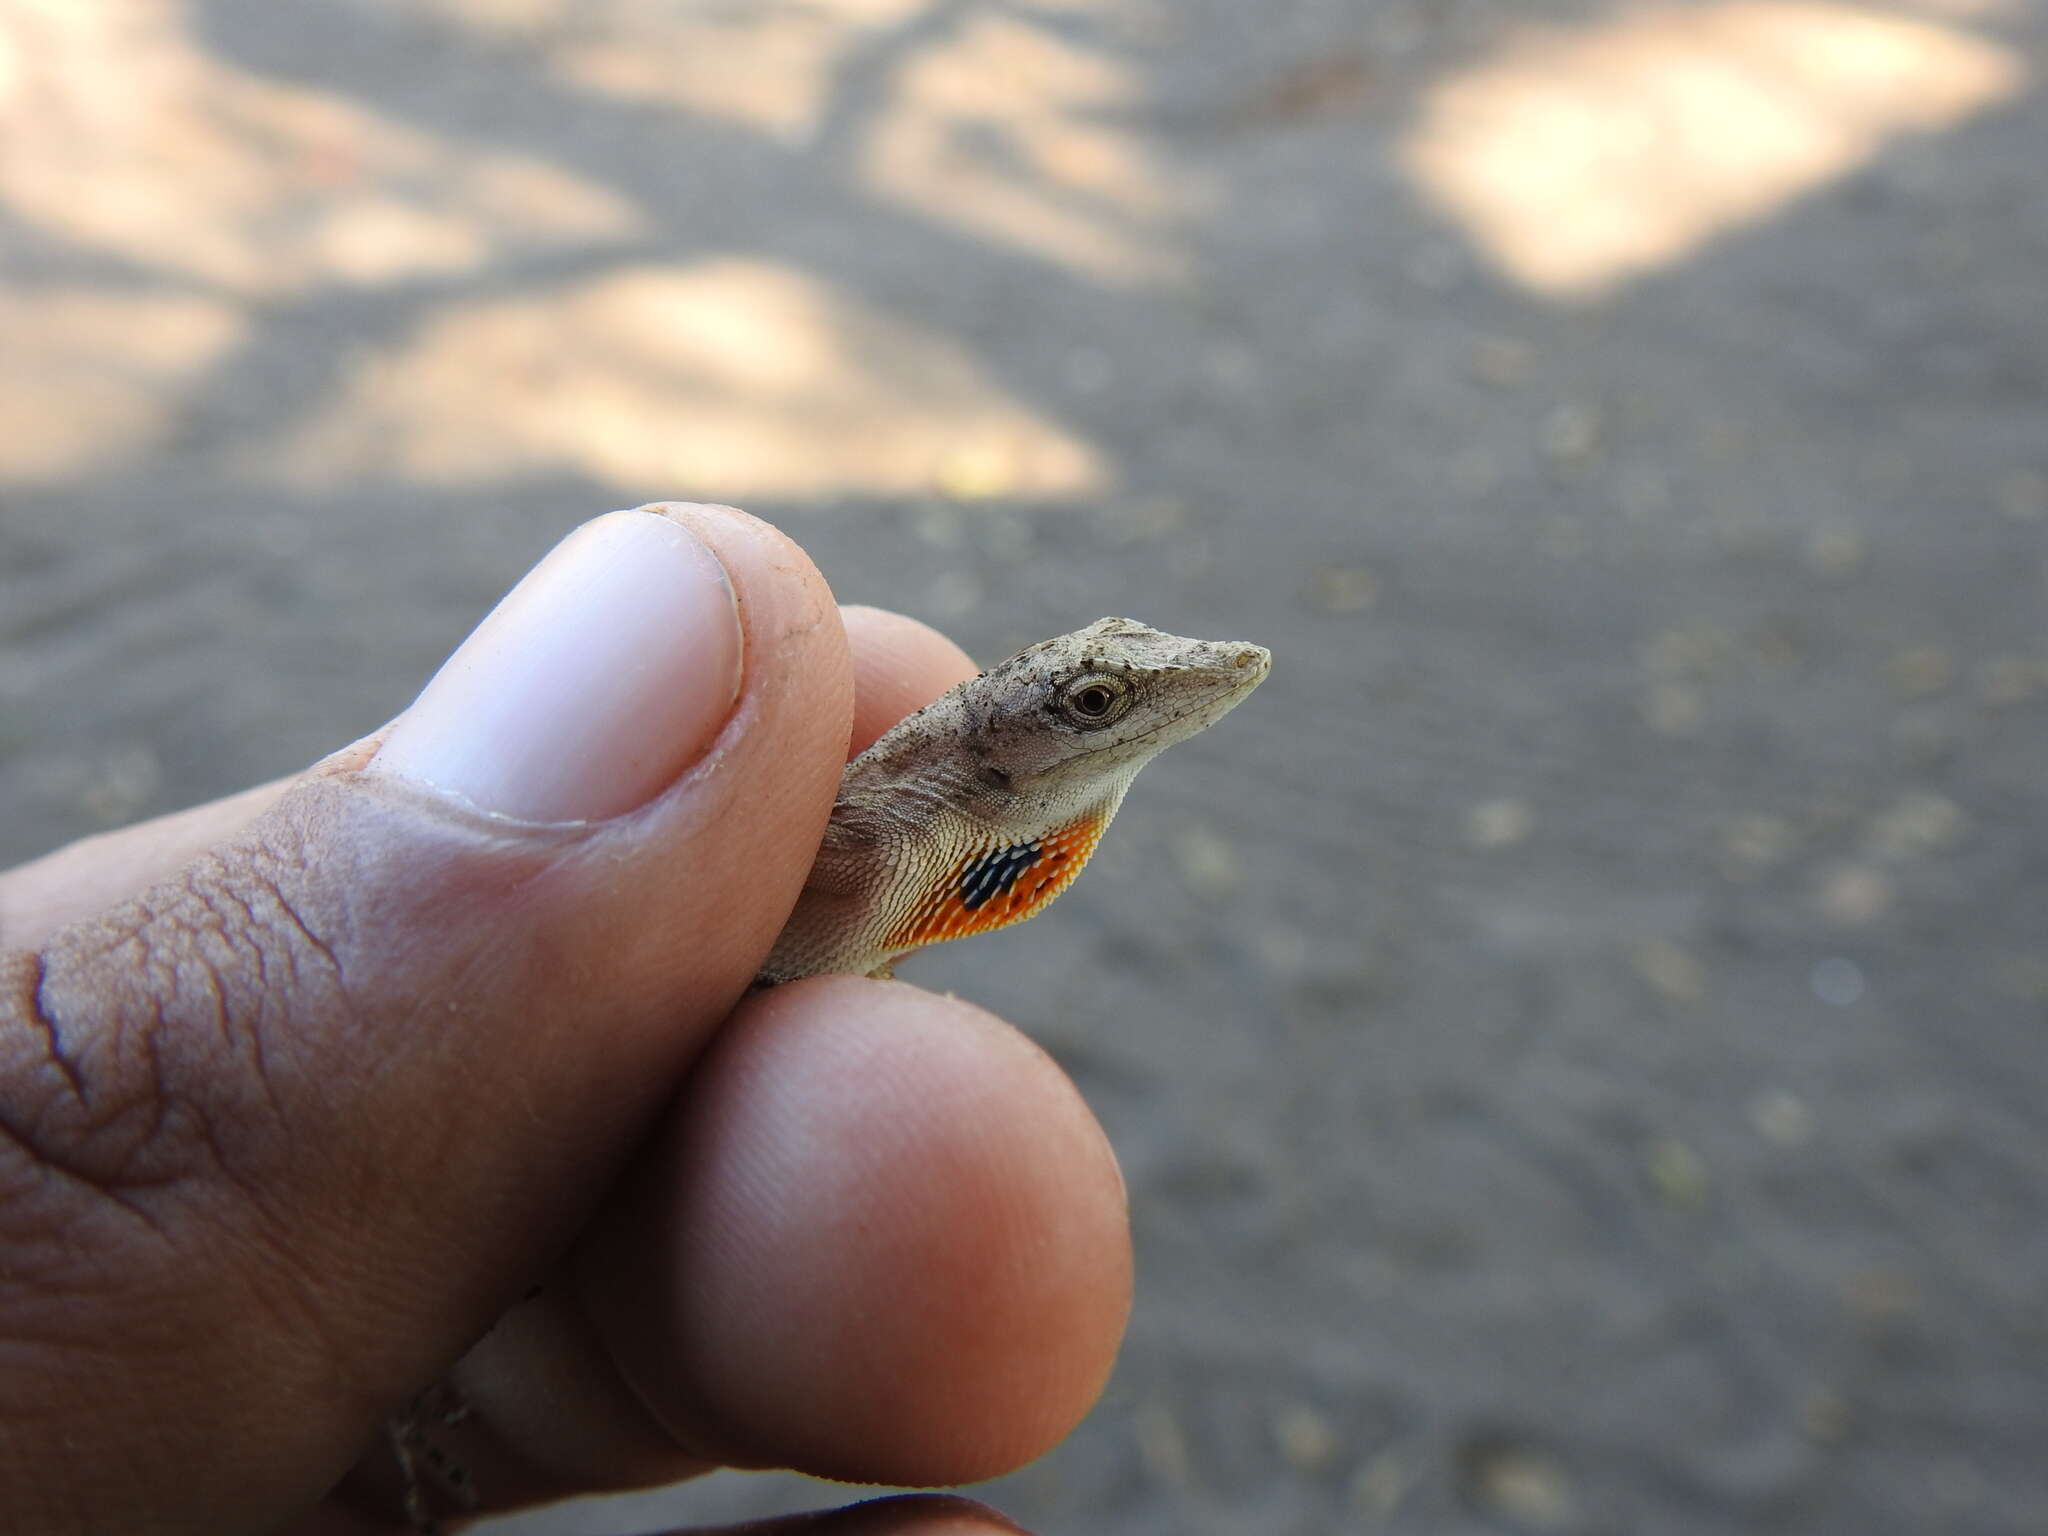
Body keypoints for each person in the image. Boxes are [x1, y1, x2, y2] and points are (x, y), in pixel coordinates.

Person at [0, 503, 1132, 1534]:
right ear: (997, 742)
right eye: (1093, 702)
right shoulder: (870, 839)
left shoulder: (898, 844)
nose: (1194, 682)